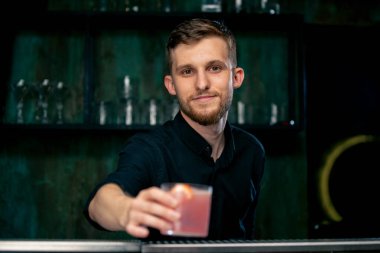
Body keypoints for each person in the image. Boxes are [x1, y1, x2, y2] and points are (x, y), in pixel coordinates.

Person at [84, 18, 265, 241]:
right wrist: (126, 210)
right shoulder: (150, 149)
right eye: (187, 71)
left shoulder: (252, 151)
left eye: (214, 68)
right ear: (171, 85)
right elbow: (99, 204)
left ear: (235, 77)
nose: (201, 84)